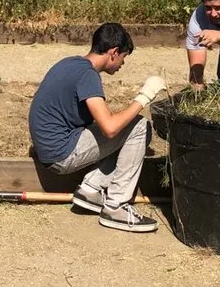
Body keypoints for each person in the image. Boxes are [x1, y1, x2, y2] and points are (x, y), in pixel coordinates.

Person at [28, 22, 168, 233]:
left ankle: (91, 190)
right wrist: (144, 96)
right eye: (123, 57)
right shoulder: (88, 76)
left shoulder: (70, 63)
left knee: (124, 128)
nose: (122, 64)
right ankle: (117, 207)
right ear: (113, 53)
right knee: (139, 126)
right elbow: (110, 128)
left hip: (49, 148)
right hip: (61, 154)